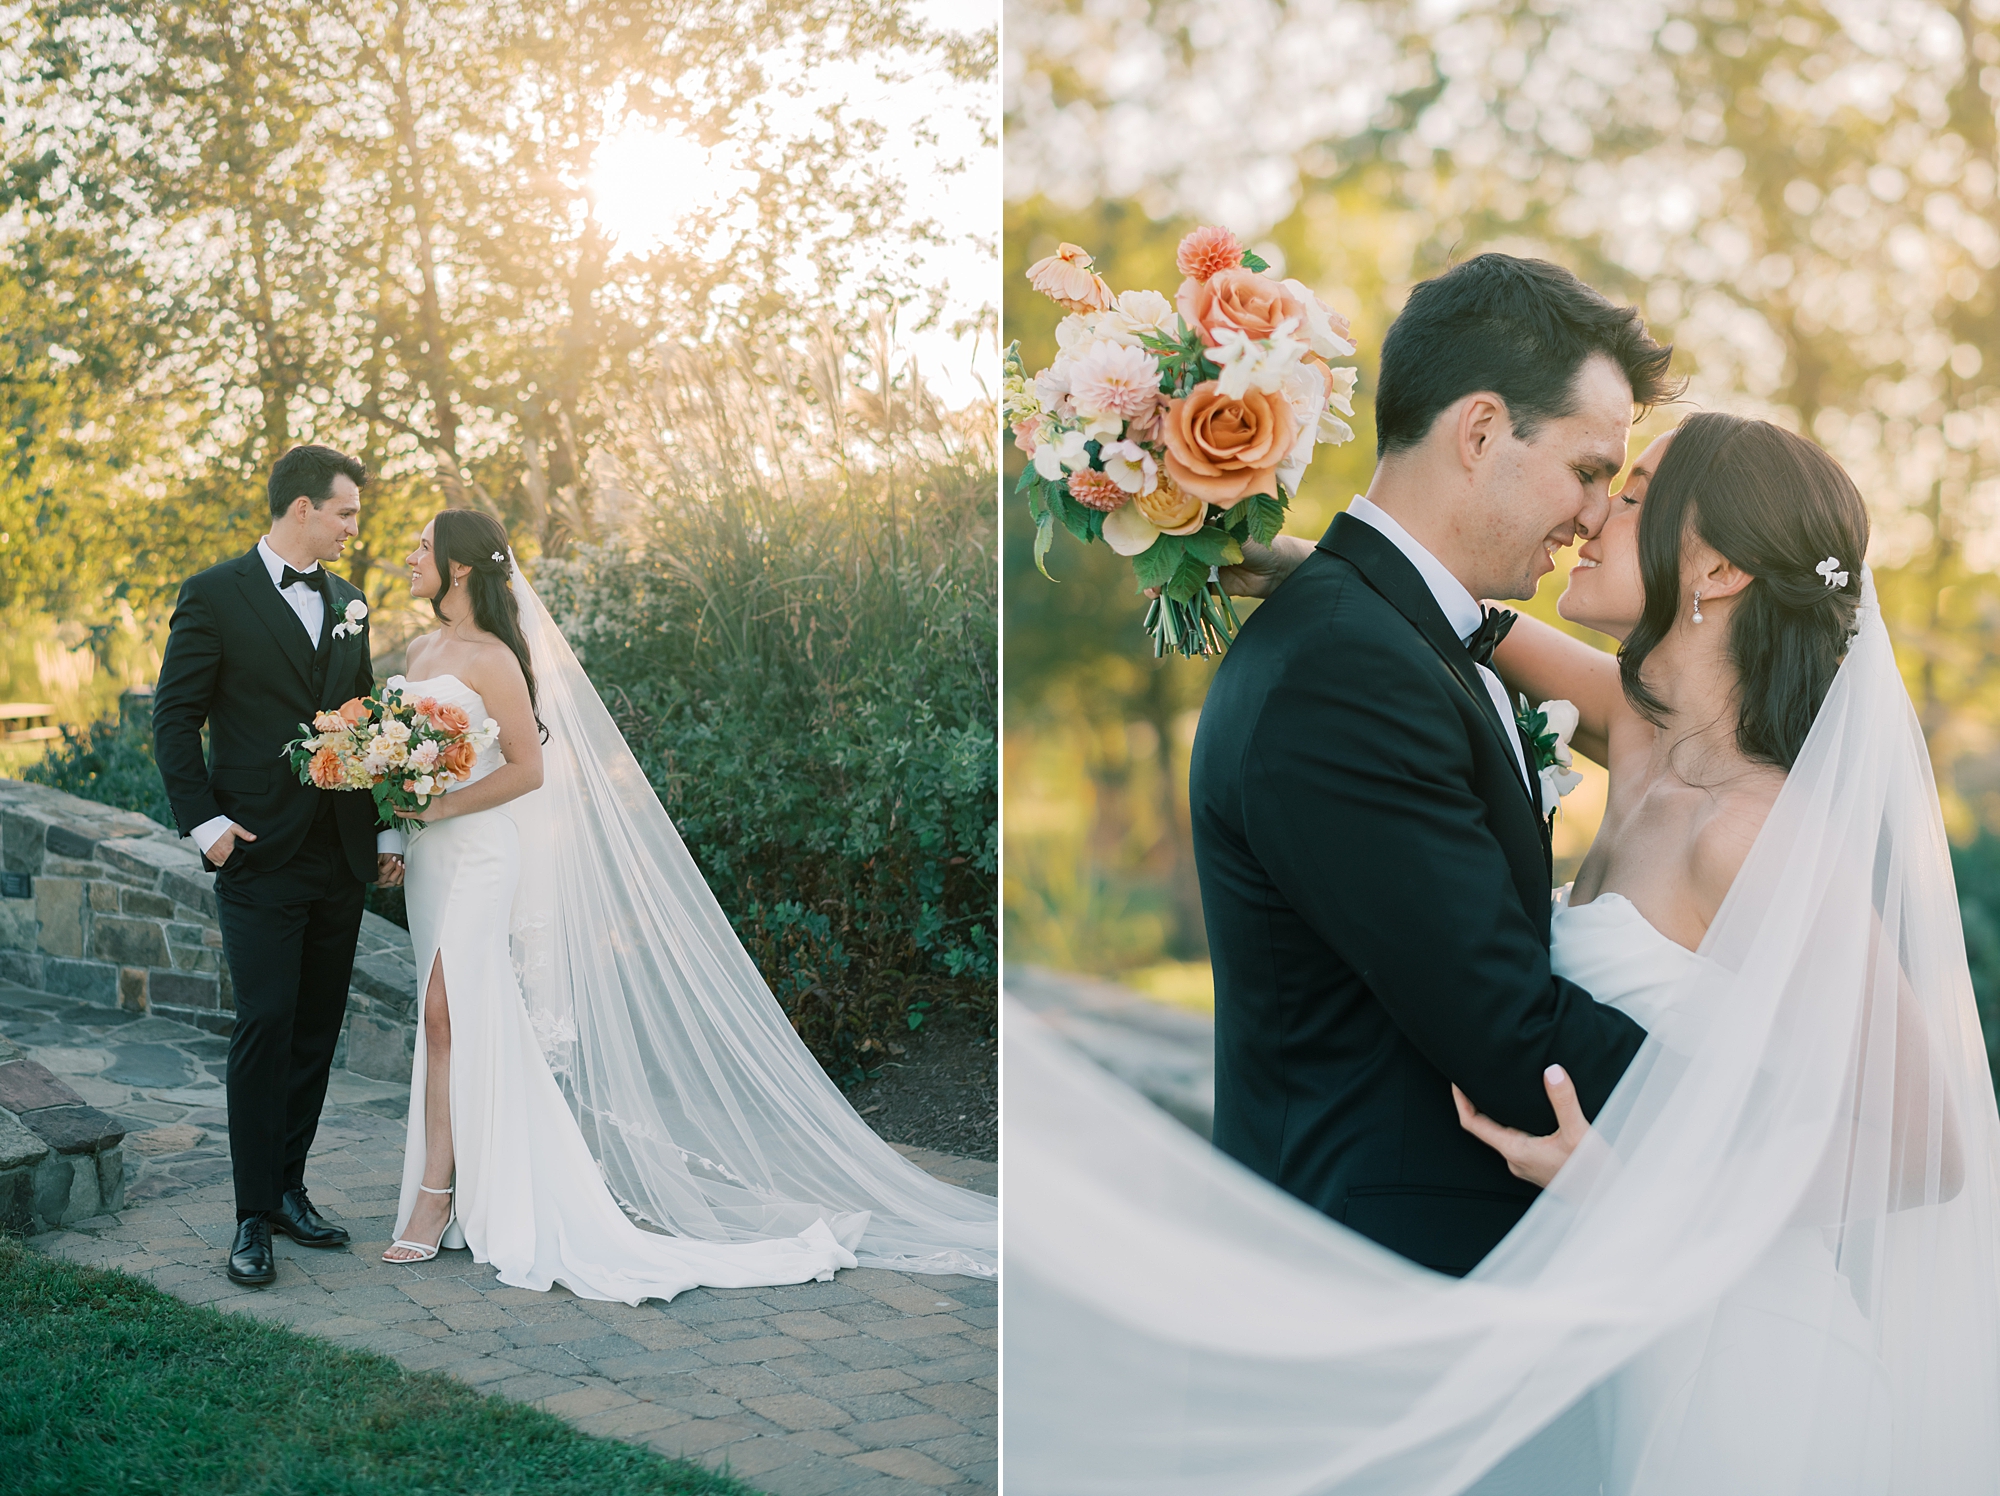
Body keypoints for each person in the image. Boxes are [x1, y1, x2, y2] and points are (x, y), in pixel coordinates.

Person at [1005, 412, 2000, 1492]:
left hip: (1746, 1356)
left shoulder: (1745, 832)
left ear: (1713, 564)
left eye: (1631, 495)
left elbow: (1924, 1143)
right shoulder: (1635, 729)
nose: (1589, 513)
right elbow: (1437, 609)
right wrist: (1255, 543)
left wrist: (1635, 1184)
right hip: (1624, 1324)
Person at [1188, 253, 1675, 1276]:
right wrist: (1770, 1126)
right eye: (1587, 469)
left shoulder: (1389, 636)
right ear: (1480, 430)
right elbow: (1506, 1031)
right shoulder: (1345, 669)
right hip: (1373, 1285)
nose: (1594, 517)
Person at [378, 508, 996, 1298]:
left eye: (422, 548)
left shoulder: (498, 657)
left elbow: (529, 769)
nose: (408, 556)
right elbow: (397, 760)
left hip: (479, 853)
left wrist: (440, 810)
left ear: (460, 567)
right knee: (445, 1020)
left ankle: (438, 1198)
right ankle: (465, 1187)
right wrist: (397, 832)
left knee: (447, 1013)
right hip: (430, 859)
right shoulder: (422, 647)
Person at [153, 444, 406, 1287]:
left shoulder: (351, 604)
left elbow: (365, 722)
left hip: (336, 857)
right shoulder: (213, 594)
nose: (353, 528)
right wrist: (206, 826)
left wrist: (382, 834)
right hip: (256, 855)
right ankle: (249, 1218)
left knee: (313, 1033)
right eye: (346, 513)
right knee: (264, 1027)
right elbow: (174, 719)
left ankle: (290, 1189)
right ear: (303, 508)